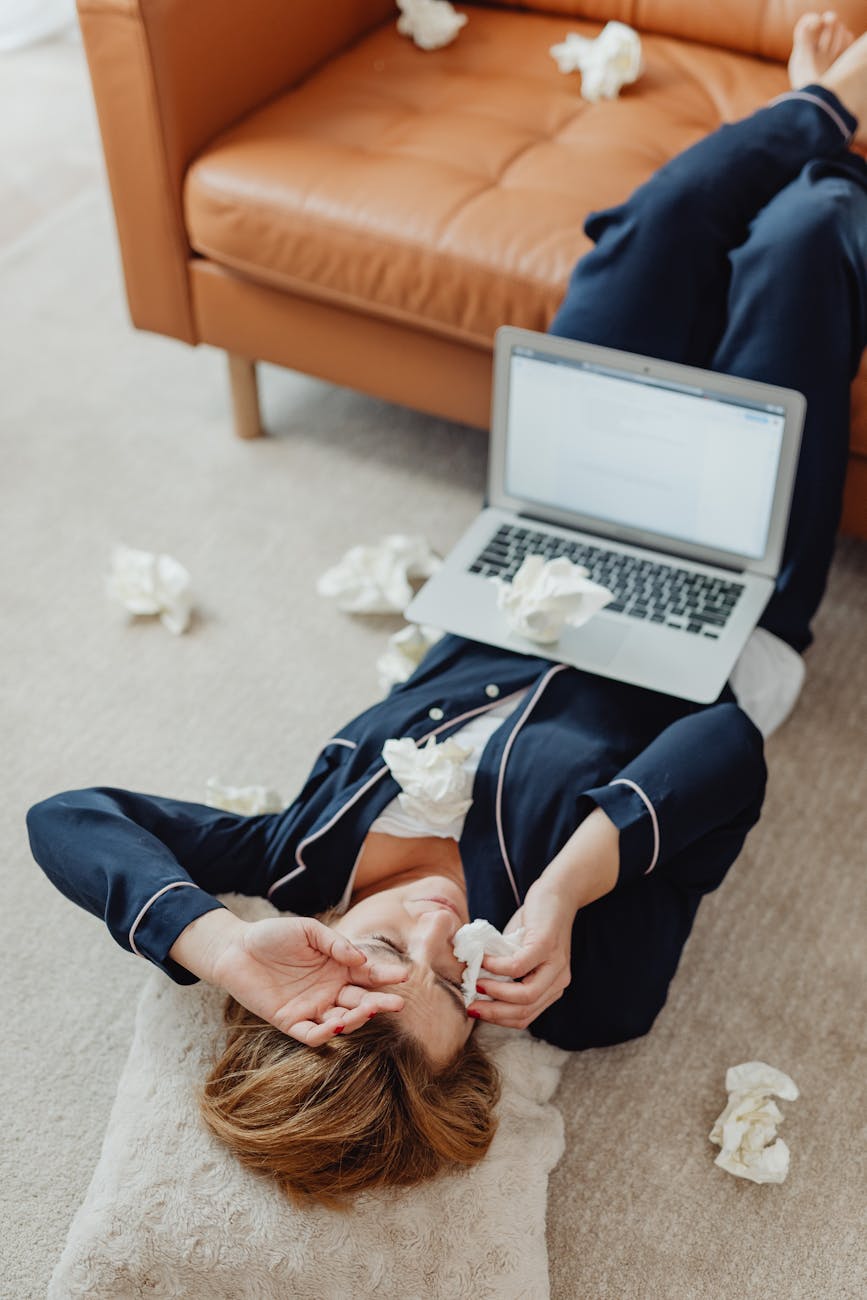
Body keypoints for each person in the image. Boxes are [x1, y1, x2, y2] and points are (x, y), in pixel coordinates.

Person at [27, 14, 867, 1208]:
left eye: (382, 950)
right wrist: (569, 886)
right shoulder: (589, 991)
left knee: (655, 234)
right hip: (731, 594)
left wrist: (217, 946)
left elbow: (66, 817)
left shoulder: (296, 855)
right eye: (453, 985)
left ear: (311, 955)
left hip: (555, 522)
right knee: (805, 237)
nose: (434, 928)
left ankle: (824, 102)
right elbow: (726, 749)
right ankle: (829, 123)